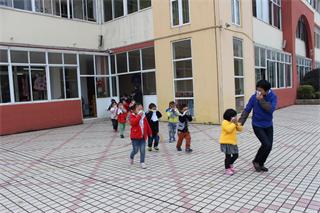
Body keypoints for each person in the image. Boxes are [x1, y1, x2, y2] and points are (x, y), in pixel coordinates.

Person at [239, 80, 277, 172]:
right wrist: (240, 123)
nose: (258, 92)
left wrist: (261, 100)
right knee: (266, 144)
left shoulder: (273, 97)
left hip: (268, 124)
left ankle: (261, 163)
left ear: (266, 90)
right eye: (257, 89)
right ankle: (256, 161)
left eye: (260, 90)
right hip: (257, 125)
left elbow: (270, 109)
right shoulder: (253, 97)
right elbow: (247, 110)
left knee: (269, 146)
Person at [220, 109, 243, 176]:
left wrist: (236, 124)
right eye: (235, 116)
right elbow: (228, 130)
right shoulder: (224, 122)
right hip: (226, 142)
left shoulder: (233, 123)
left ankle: (229, 165)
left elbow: (240, 129)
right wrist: (233, 123)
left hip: (233, 142)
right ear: (230, 116)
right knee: (228, 156)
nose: (236, 117)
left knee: (236, 155)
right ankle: (227, 168)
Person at [129, 103, 152, 169]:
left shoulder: (143, 117)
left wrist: (149, 132)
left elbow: (147, 125)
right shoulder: (132, 116)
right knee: (135, 150)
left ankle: (142, 162)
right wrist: (139, 116)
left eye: (141, 109)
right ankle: (131, 156)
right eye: (138, 109)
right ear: (134, 110)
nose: (140, 110)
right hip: (135, 137)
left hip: (143, 137)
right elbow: (133, 123)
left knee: (142, 150)